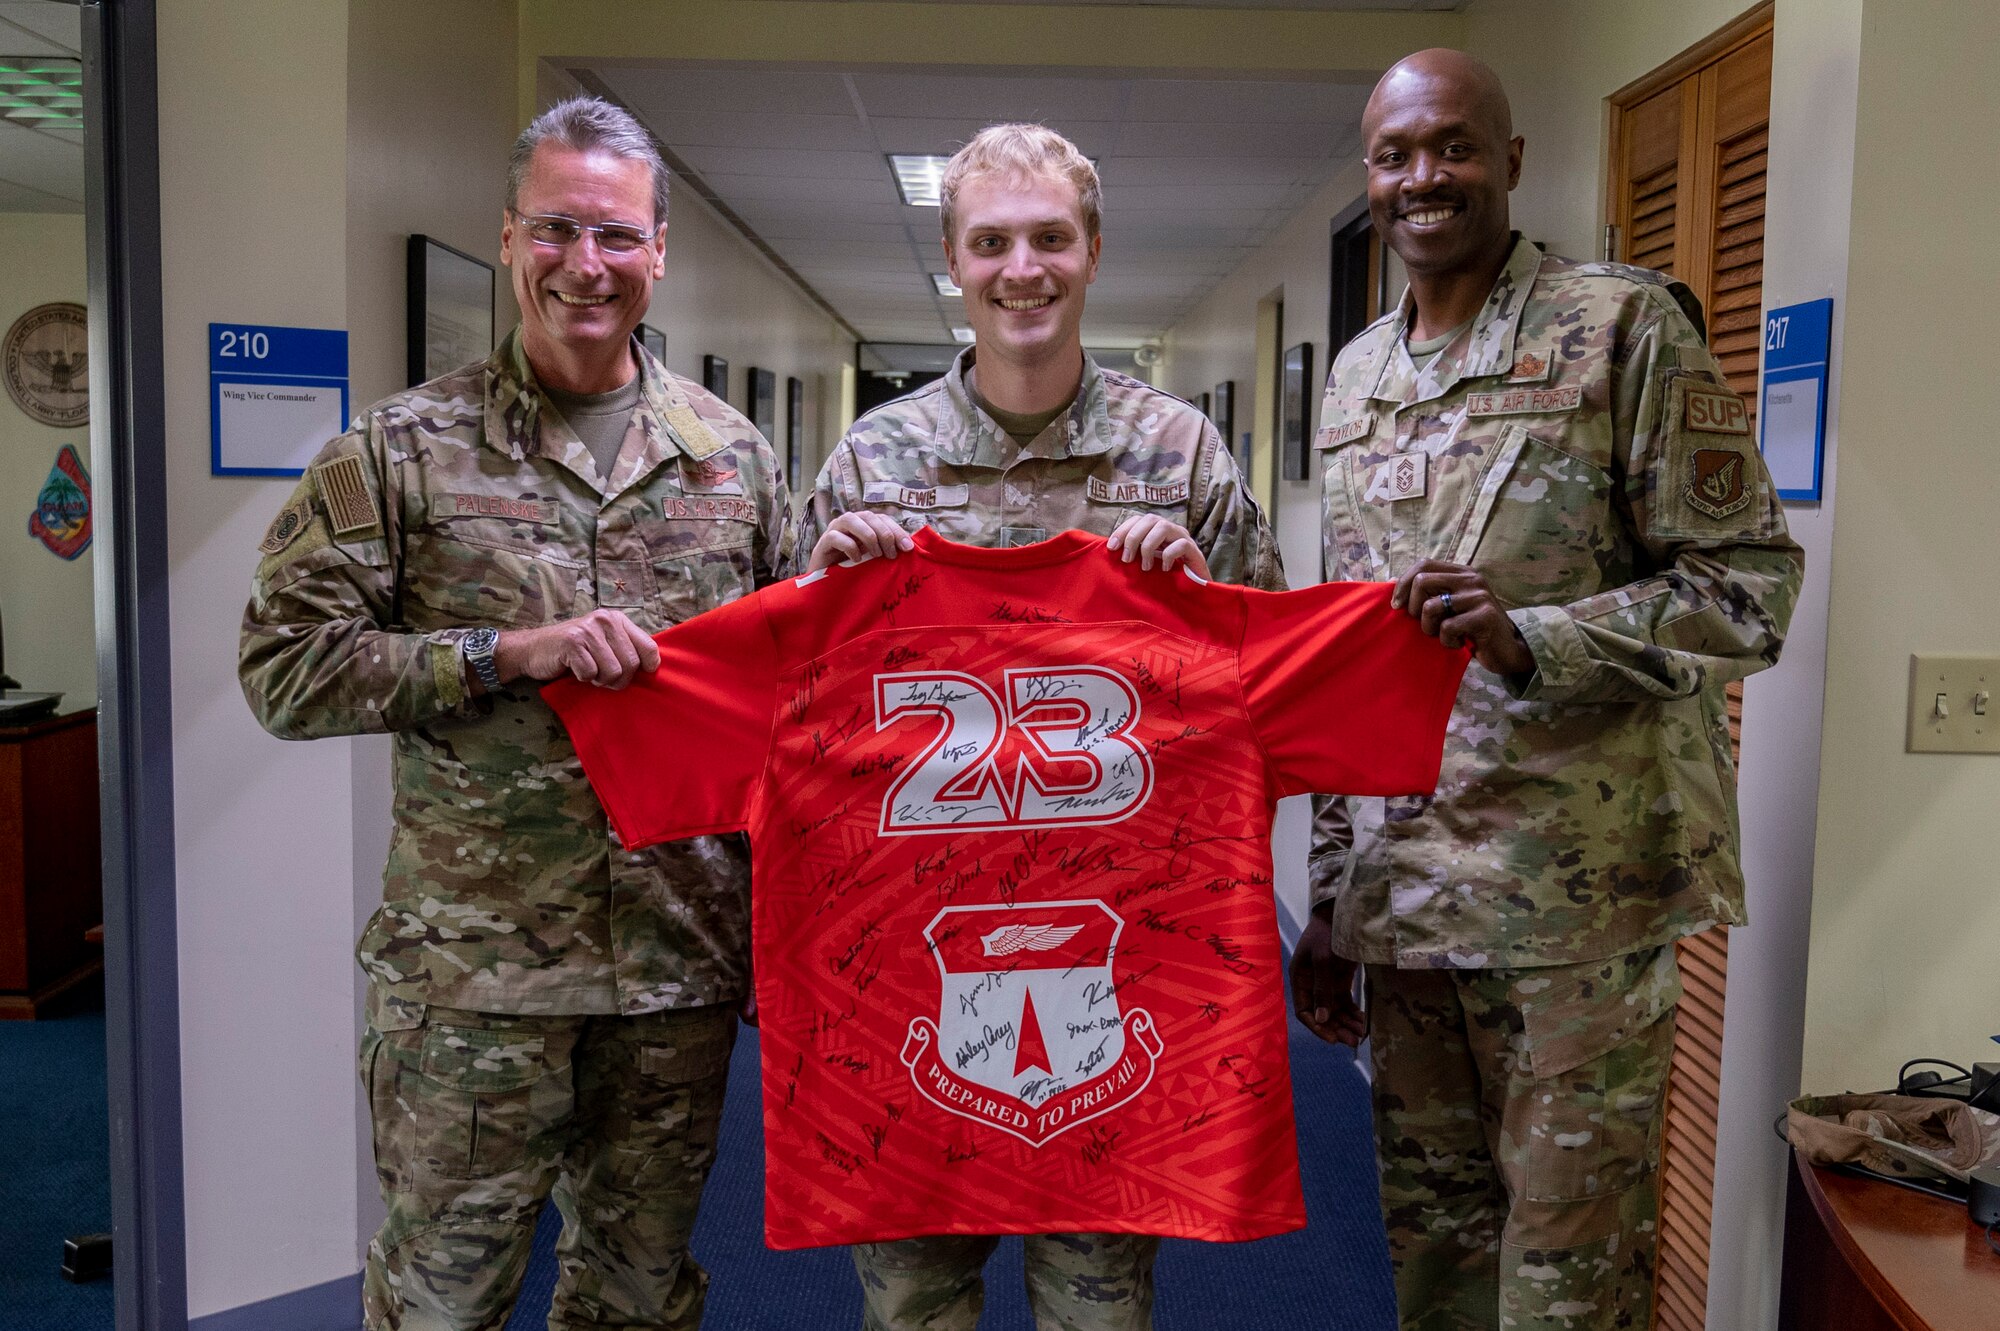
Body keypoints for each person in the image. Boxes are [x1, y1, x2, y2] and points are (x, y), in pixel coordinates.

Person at [239, 96, 789, 1331]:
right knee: (442, 1302)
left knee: (638, 1301)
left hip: (672, 977)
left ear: (658, 251)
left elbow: (791, 719)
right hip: (473, 985)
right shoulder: (397, 451)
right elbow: (283, 668)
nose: (581, 265)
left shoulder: (735, 462)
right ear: (505, 239)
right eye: (554, 230)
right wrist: (501, 652)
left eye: (612, 235)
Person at [1287, 50, 1803, 1331]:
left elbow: (1746, 585)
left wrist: (1537, 640)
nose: (1423, 178)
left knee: (1569, 1290)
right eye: (1395, 154)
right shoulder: (1355, 380)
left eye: (1452, 147)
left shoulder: (1622, 326)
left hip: (1575, 913)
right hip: (1409, 910)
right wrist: (1333, 897)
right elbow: (1353, 656)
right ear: (1369, 173)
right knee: (1440, 1272)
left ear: (1509, 161)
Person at [794, 123, 1283, 1331]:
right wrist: (818, 587)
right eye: (992, 241)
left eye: (1050, 237)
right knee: (913, 1308)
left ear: (1094, 250)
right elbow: (786, 714)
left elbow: (1272, 682)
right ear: (953, 263)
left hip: (1116, 961)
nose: (1024, 268)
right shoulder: (872, 459)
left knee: (1098, 1311)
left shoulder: (1178, 454)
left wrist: (1198, 601)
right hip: (905, 964)